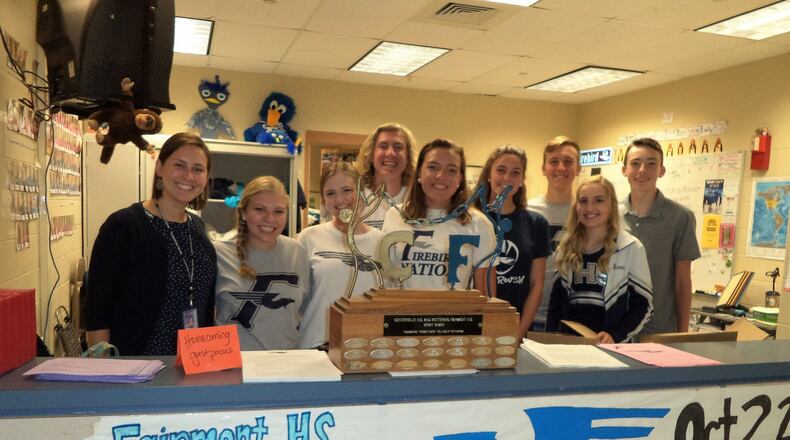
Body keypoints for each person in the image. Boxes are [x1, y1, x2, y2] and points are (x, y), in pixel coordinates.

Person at [85, 132, 216, 355]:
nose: (188, 176)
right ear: (160, 168)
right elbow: (97, 309)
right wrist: (105, 368)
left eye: (198, 169)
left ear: (205, 178)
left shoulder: (198, 228)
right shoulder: (124, 225)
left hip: (194, 363)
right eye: (179, 165)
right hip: (137, 364)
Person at [547, 177, 653, 343]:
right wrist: (549, 342)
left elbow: (643, 306)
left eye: (599, 200)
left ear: (611, 205)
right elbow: (556, 305)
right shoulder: (566, 248)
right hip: (570, 347)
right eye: (583, 201)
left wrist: (615, 335)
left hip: (614, 348)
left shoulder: (630, 247)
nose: (590, 207)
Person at [382, 139, 495, 293]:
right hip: (401, 315)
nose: (441, 176)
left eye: (451, 170)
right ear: (419, 173)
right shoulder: (395, 215)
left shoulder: (478, 223)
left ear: (460, 179)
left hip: (455, 316)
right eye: (432, 167)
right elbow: (385, 280)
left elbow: (486, 296)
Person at [214, 176, 309, 350]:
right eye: (260, 209)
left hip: (287, 365)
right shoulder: (218, 253)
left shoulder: (297, 252)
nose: (270, 218)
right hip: (234, 368)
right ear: (243, 212)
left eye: (279, 211)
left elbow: (301, 311)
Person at [297, 162, 385, 349]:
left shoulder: (382, 242)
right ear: (323, 200)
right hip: (316, 346)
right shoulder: (308, 238)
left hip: (366, 347)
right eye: (330, 193)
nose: (340, 199)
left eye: (347, 190)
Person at [620, 138, 700, 334]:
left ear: (661, 170)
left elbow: (682, 282)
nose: (642, 170)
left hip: (659, 330)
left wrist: (682, 334)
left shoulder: (681, 217)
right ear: (624, 170)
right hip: (614, 330)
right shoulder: (610, 215)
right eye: (635, 163)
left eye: (651, 163)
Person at [475, 145, 550, 336]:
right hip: (474, 324)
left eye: (515, 173)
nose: (507, 178)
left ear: (522, 181)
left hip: (518, 326)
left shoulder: (536, 223)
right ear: (489, 175)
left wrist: (519, 331)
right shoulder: (471, 220)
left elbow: (537, 285)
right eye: (501, 170)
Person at [528, 136, 581, 331]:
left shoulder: (588, 212)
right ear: (543, 168)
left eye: (568, 162)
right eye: (553, 161)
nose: (561, 168)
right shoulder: (528, 211)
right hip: (530, 318)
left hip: (574, 320)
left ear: (579, 168)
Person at [354, 122, 416, 229]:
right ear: (371, 154)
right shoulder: (355, 196)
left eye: (398, 147)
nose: (390, 153)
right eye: (383, 146)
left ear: (408, 157)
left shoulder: (417, 198)